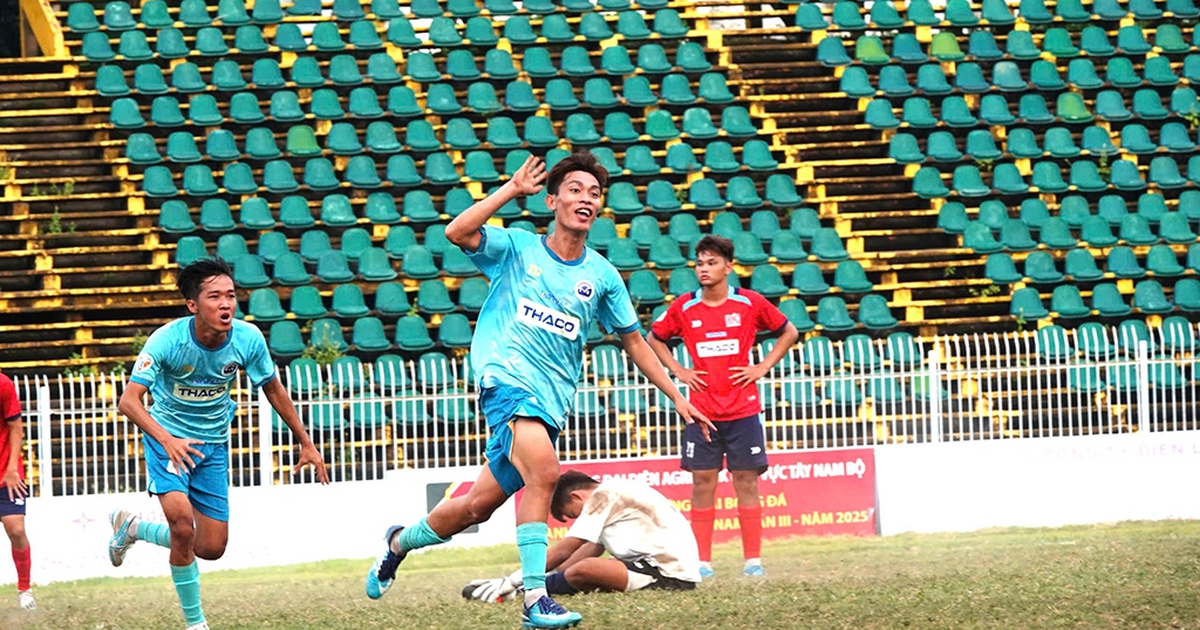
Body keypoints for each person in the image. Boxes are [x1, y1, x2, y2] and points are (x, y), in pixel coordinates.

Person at [364, 152, 713, 630]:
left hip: (549, 403)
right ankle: (535, 600)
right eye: (574, 189)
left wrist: (675, 395)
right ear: (552, 199)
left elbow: (633, 340)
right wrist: (509, 190)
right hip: (504, 381)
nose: (585, 198)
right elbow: (457, 233)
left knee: (474, 507)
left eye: (594, 193)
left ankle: (397, 543)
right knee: (545, 473)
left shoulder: (602, 276)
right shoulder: (517, 248)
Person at [108, 257, 330, 630]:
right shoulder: (167, 339)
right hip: (168, 441)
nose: (226, 304)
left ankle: (133, 528)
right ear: (193, 305)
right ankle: (196, 623)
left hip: (212, 445)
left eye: (230, 295)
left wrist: (305, 442)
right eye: (215, 297)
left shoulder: (248, 338)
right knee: (181, 526)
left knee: (210, 548)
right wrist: (167, 439)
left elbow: (272, 388)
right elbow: (128, 401)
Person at [646, 235, 800, 578]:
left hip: (743, 409)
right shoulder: (685, 307)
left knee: (746, 481)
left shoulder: (749, 303)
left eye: (712, 263)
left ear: (729, 267)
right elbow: (654, 338)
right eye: (700, 263)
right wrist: (679, 371)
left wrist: (762, 367)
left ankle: (753, 562)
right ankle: (702, 562)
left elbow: (789, 332)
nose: (704, 269)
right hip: (700, 411)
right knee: (702, 482)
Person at [462, 470, 701, 603]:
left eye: (573, 515)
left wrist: (513, 580)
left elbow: (567, 549)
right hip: (655, 568)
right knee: (583, 568)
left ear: (577, 497)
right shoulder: (616, 494)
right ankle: (528, 589)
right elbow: (584, 552)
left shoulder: (604, 495)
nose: (578, 520)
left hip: (668, 575)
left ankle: (520, 592)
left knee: (585, 570)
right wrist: (535, 577)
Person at [0, 372, 34, 610]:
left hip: (6, 471)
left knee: (16, 529)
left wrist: (12, 468)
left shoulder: (3, 384)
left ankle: (24, 590)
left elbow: (16, 427)